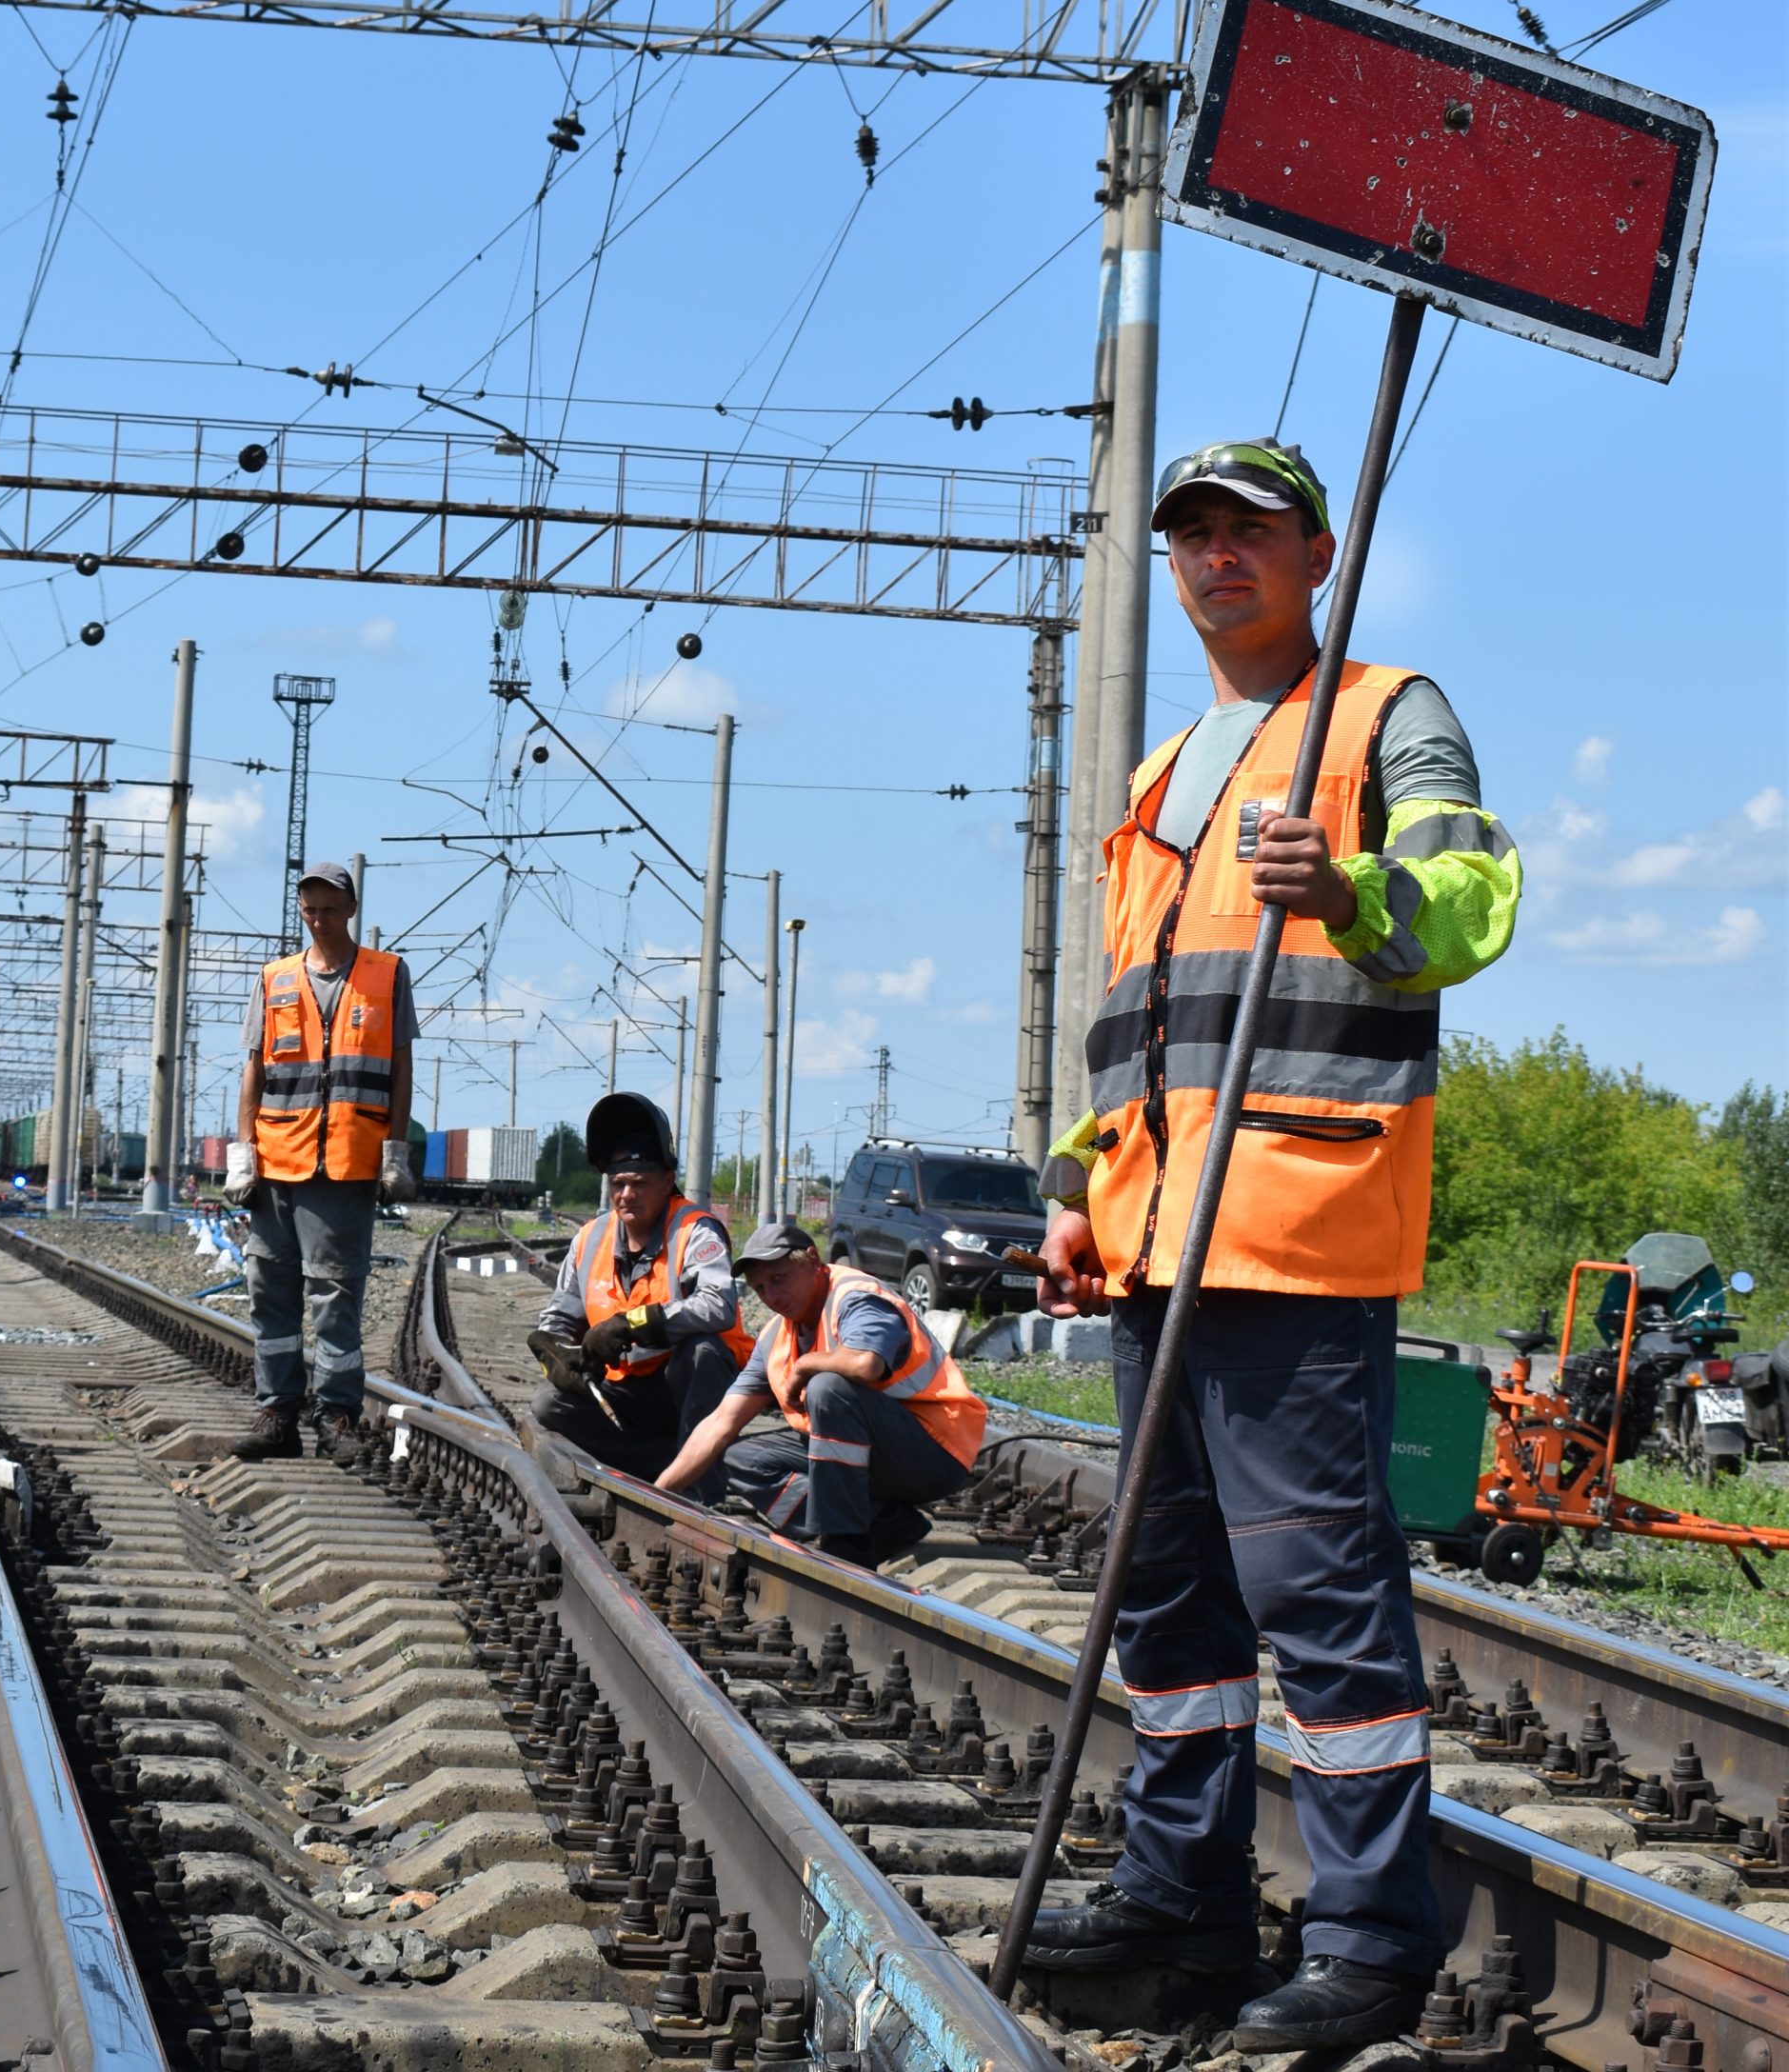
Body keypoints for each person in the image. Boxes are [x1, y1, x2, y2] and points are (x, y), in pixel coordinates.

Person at [1023, 439, 1521, 2051]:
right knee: (1168, 1599)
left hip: (1300, 1230)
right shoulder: (1171, 772)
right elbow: (1138, 1029)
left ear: (1320, 553)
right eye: (1192, 537)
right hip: (1155, 1242)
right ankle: (1187, 1897)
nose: (1215, 558)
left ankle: (1374, 1934)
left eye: (1249, 532)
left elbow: (1471, 901)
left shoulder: (1385, 714)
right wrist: (1072, 1188)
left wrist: (1360, 884)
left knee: (1318, 1595)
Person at [224, 861, 417, 1463]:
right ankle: (277, 1414)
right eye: (309, 909)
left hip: (346, 1163)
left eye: (329, 908)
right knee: (269, 1290)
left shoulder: (387, 975)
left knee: (335, 1295)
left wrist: (396, 1150)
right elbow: (253, 1069)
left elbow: (401, 1067)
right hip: (277, 1162)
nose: (318, 918)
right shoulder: (275, 979)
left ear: (350, 910)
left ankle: (336, 1416)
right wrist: (241, 1152)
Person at [656, 1220, 986, 1567]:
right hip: (873, 1452)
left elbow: (865, 1364)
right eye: (760, 1288)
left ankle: (845, 1544)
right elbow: (721, 1422)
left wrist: (804, 1366)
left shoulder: (857, 1298)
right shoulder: (776, 1337)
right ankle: (882, 1522)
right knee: (740, 1460)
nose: (772, 1297)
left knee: (828, 1387)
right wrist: (656, 1493)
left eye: (779, 1279)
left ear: (813, 1261)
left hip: (932, 1452)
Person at [525, 1094, 753, 1484]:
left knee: (704, 1353)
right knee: (549, 1407)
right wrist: (557, 1351)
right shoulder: (590, 1239)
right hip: (626, 1392)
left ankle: (700, 1483)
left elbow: (719, 1304)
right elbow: (560, 1316)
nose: (626, 1195)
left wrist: (633, 1324)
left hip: (680, 1384)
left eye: (640, 1183)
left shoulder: (695, 1229)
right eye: (618, 1183)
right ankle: (664, 1463)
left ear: (667, 1181)